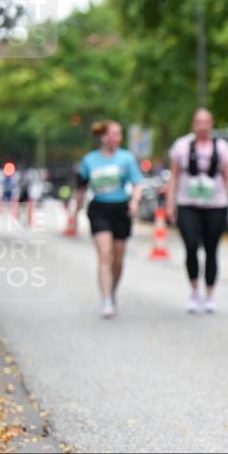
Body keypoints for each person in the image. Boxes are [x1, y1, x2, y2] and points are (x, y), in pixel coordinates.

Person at [166, 108, 228, 313]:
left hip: (216, 205)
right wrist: (169, 203)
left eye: (206, 121)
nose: (202, 125)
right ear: (193, 123)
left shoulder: (222, 147)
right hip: (188, 204)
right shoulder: (181, 146)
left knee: (211, 249)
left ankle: (209, 295)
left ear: (211, 123)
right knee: (191, 246)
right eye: (198, 121)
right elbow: (173, 176)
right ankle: (193, 291)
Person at [72, 120, 144, 318]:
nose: (118, 138)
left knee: (118, 260)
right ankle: (105, 300)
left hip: (121, 209)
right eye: (115, 134)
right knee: (105, 255)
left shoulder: (126, 158)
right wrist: (74, 215)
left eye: (120, 134)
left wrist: (135, 201)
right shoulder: (89, 161)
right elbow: (80, 189)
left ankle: (112, 292)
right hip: (99, 209)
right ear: (104, 137)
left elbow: (138, 183)